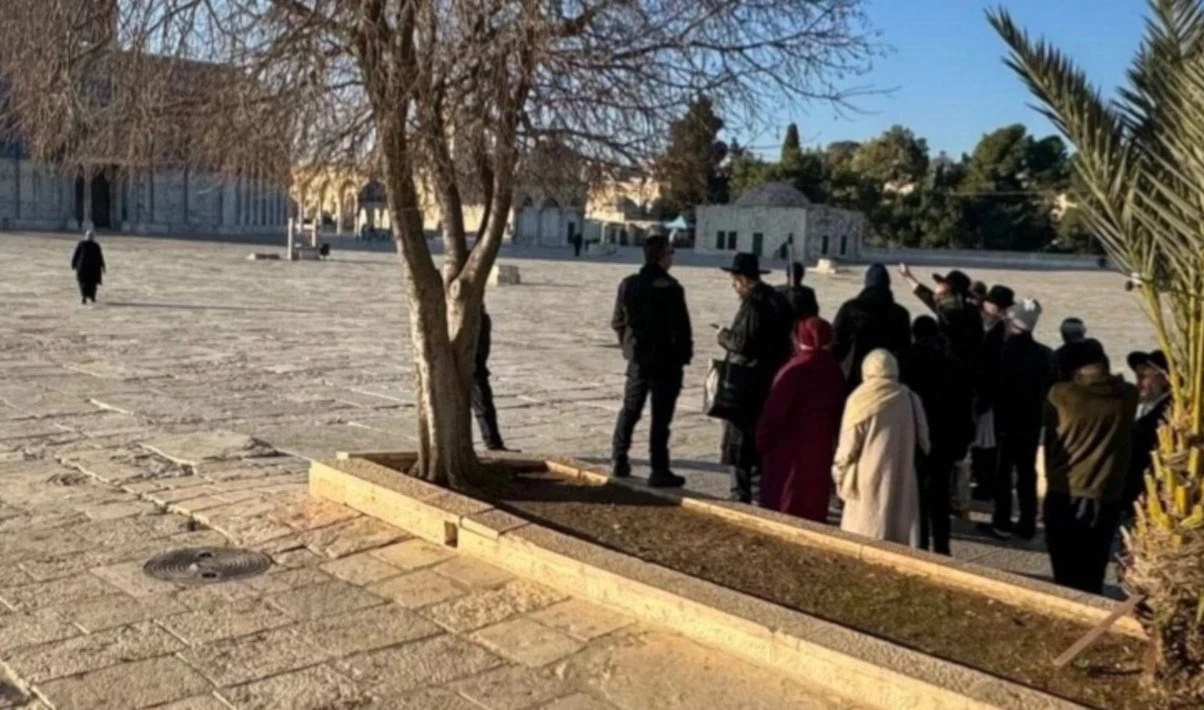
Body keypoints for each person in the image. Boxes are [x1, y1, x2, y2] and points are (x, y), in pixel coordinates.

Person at [1043, 340, 1138, 594]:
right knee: (1094, 566)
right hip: (1106, 490)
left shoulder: (1061, 394)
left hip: (1066, 487)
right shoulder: (1128, 395)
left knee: (1065, 568)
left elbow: (1050, 436)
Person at [610, 235, 692, 487]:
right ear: (662, 257)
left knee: (630, 410)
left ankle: (619, 458)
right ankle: (659, 469)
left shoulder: (628, 284)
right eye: (670, 253)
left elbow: (617, 322)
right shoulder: (672, 287)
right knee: (660, 418)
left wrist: (630, 347)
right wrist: (682, 357)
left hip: (638, 361)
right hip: (666, 363)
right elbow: (682, 328)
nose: (672, 258)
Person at [832, 349, 930, 546]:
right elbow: (925, 443)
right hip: (902, 477)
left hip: (865, 480)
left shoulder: (860, 399)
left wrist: (838, 474)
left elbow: (848, 447)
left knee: (866, 535)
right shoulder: (909, 397)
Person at [717, 252, 794, 503]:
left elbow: (742, 343)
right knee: (761, 438)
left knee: (739, 440)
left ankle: (740, 494)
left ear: (741, 279)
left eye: (734, 279)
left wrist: (723, 335)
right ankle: (764, 492)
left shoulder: (754, 304)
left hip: (747, 382)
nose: (733, 285)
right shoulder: (776, 299)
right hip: (770, 379)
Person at [979, 299, 1058, 541]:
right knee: (1027, 473)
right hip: (1032, 421)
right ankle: (1027, 523)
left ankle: (1002, 521)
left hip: (1005, 421)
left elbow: (991, 382)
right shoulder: (1045, 354)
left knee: (1003, 473)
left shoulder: (1004, 351)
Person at [755, 317, 845, 522]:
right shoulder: (833, 369)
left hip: (789, 445)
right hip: (820, 443)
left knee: (786, 494)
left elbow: (774, 411)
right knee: (812, 494)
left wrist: (763, 439)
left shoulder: (795, 369)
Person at [902, 316, 972, 555]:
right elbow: (964, 405)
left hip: (918, 437)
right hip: (947, 437)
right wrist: (963, 443)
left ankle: (920, 544)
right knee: (940, 494)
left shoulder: (910, 358)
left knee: (918, 494)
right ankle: (942, 546)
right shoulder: (954, 359)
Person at [898, 265, 983, 385]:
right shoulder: (954, 306)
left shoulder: (953, 310)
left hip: (957, 370)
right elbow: (927, 296)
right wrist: (908, 276)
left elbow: (930, 299)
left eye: (942, 283)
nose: (937, 285)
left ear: (950, 288)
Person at [831, 264, 911, 392]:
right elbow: (905, 349)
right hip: (888, 377)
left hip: (853, 377)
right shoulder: (900, 313)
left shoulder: (851, 308)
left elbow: (836, 341)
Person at [971, 285, 1015, 500]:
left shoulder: (1001, 331)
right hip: (981, 392)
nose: (986, 306)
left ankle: (986, 484)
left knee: (986, 444)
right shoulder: (987, 325)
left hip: (989, 395)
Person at [1124, 349, 1172, 514]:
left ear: (1165, 379)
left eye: (1144, 378)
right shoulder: (1145, 405)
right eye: (1138, 377)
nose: (1138, 384)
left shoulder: (1170, 410)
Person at [472, 305, 508, 452]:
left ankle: (493, 442)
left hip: (477, 318)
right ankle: (492, 443)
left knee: (478, 382)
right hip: (469, 320)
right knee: (478, 384)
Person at [71, 230, 106, 304]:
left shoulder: (91, 245)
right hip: (90, 268)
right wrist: (103, 266)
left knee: (86, 284)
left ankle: (88, 297)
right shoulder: (85, 245)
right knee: (88, 284)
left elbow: (99, 257)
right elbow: (77, 254)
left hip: (85, 268)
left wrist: (73, 264)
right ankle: (88, 297)